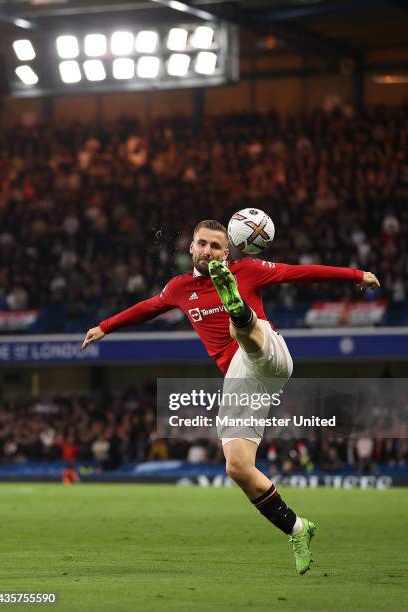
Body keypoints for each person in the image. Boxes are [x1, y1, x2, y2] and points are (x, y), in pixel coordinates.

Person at [81, 219, 380, 574]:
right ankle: (298, 528)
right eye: (202, 244)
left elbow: (300, 273)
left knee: (241, 331)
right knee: (237, 466)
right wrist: (105, 326)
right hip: (245, 382)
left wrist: (355, 275)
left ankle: (237, 310)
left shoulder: (249, 270)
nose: (207, 250)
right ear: (191, 247)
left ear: (227, 252)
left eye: (215, 246)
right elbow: (147, 307)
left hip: (268, 351)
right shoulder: (178, 288)